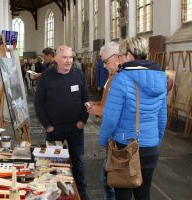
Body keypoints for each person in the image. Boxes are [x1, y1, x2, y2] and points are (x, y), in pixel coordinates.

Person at [99, 37, 167, 200]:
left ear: (129, 56)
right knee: (144, 194)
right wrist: (155, 140)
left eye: (120, 56)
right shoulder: (161, 77)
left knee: (122, 195)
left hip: (125, 147)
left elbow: (110, 119)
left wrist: (103, 141)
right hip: (150, 147)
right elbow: (162, 116)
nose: (119, 59)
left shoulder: (121, 79)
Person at [34, 45, 90, 200]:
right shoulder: (46, 76)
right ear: (56, 58)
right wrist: (47, 125)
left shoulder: (78, 74)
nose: (68, 60)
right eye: (65, 57)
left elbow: (86, 100)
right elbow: (38, 103)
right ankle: (55, 194)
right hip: (55, 129)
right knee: (53, 164)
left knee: (78, 162)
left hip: (75, 128)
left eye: (71, 57)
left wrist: (83, 120)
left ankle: (81, 194)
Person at [86, 42, 121, 200]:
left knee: (110, 181)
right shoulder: (112, 76)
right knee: (107, 179)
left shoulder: (120, 80)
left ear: (117, 57)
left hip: (117, 137)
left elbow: (115, 112)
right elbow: (106, 104)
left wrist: (97, 110)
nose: (104, 66)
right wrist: (96, 106)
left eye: (105, 62)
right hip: (113, 138)